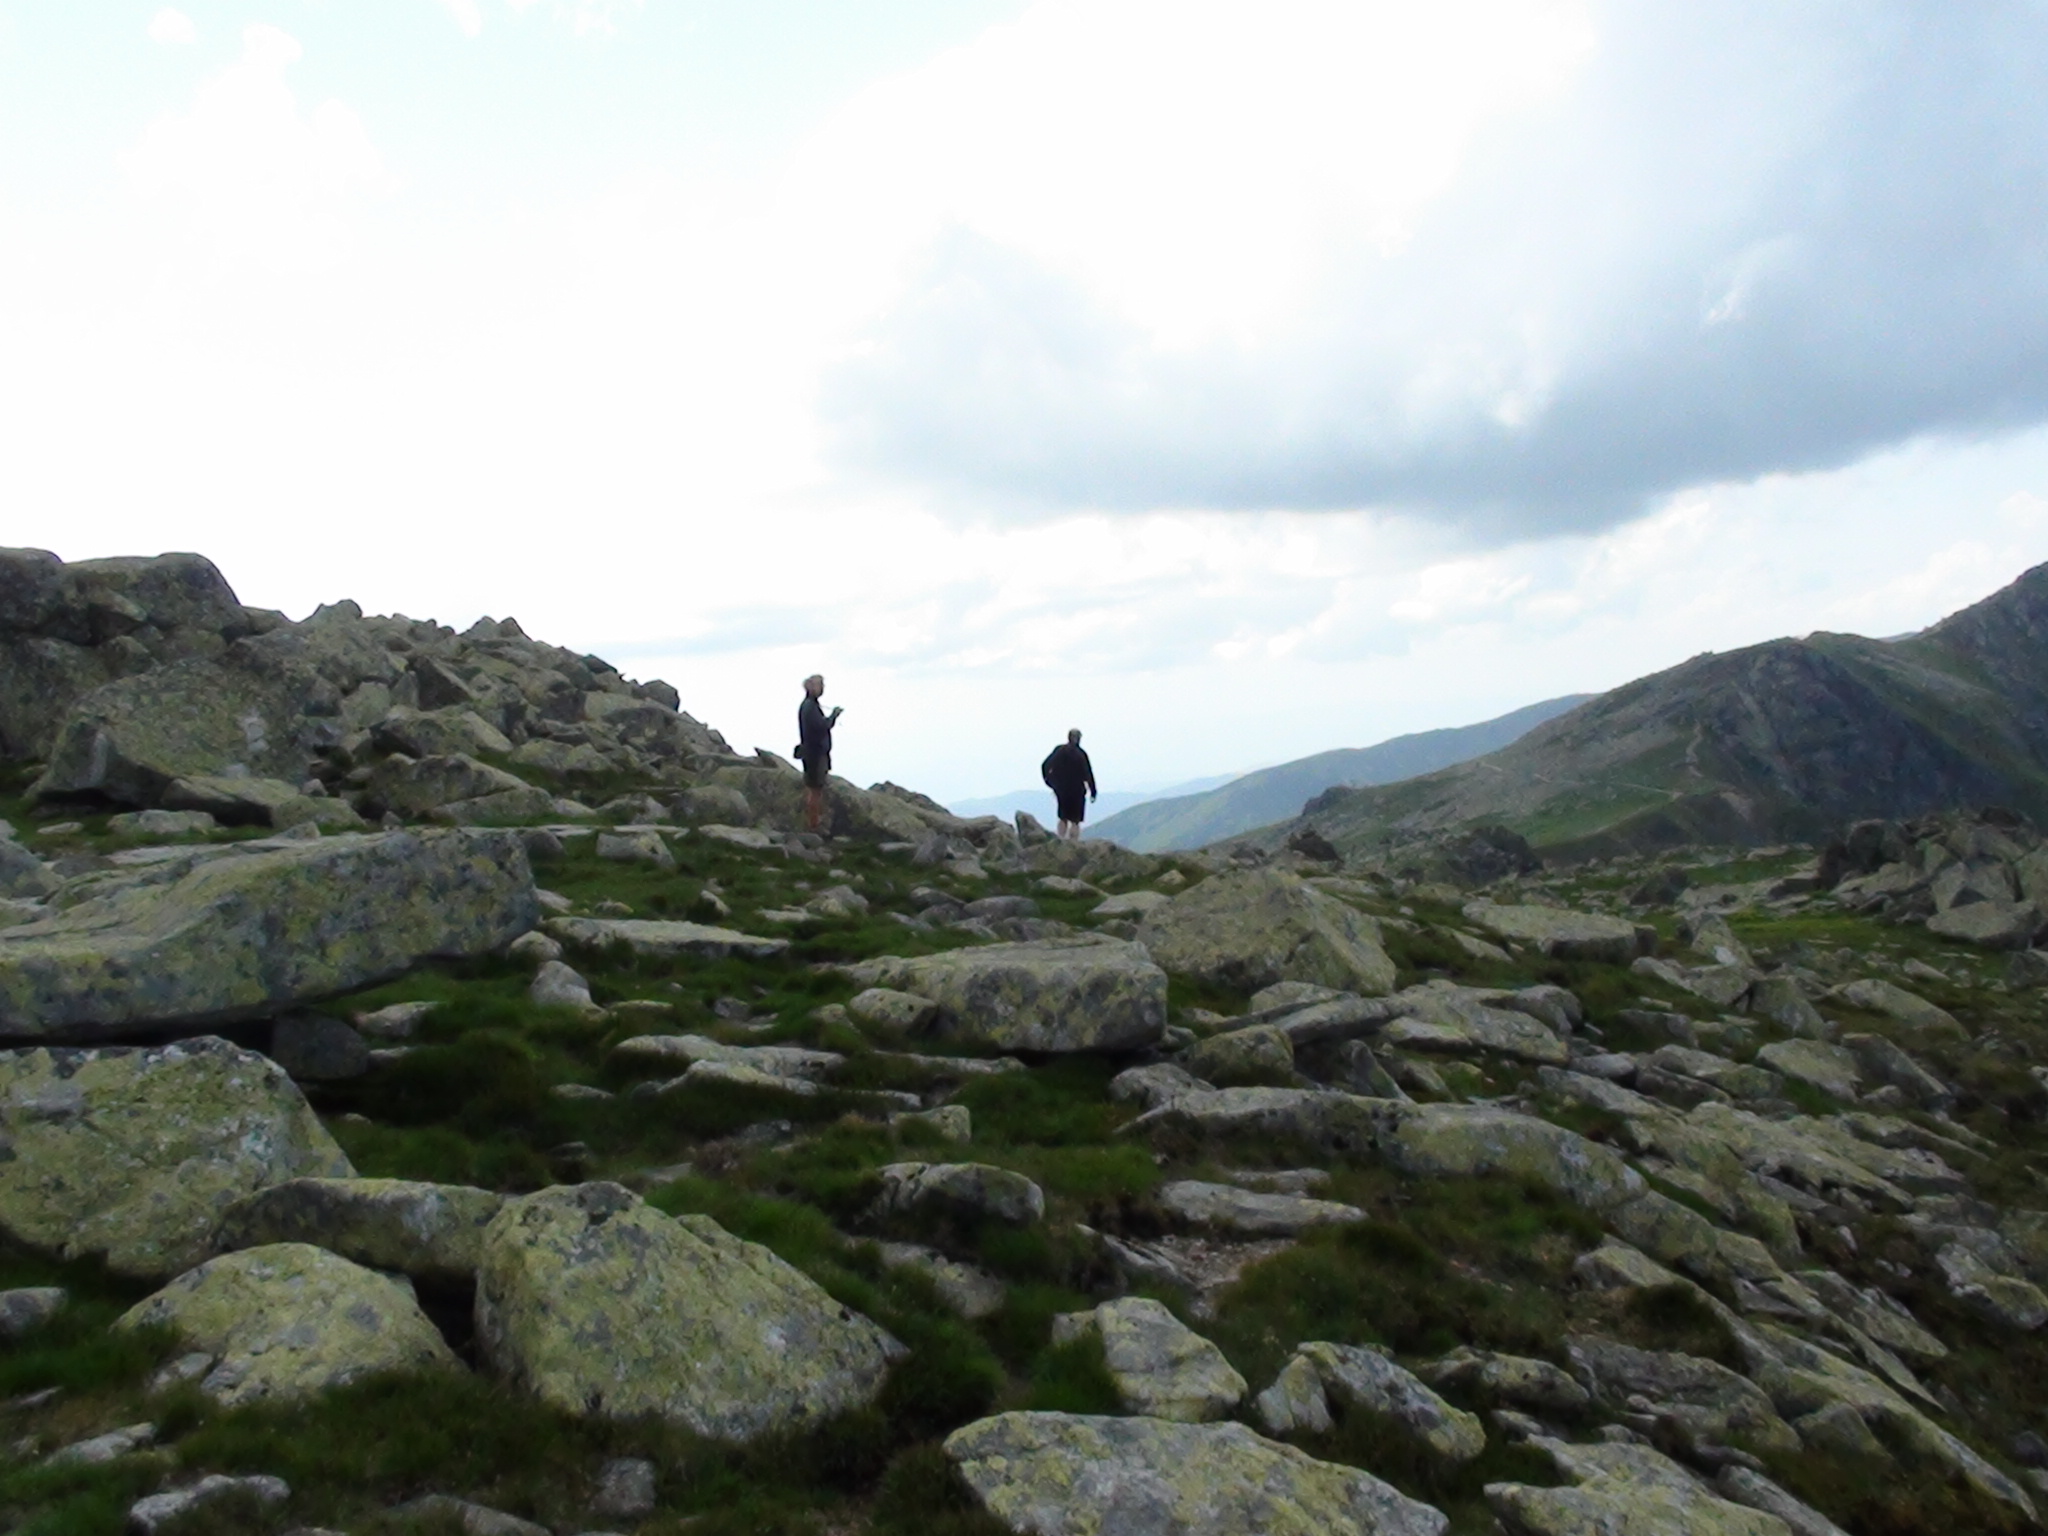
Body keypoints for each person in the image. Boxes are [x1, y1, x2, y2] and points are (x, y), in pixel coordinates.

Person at [794, 674, 842, 833]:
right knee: (815, 790)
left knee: (814, 789)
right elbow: (821, 727)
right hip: (815, 754)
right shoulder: (810, 707)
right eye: (820, 685)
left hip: (812, 752)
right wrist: (834, 716)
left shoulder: (809, 705)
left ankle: (813, 822)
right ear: (812, 687)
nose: (822, 688)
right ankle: (814, 824)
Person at [1040, 728, 1096, 842]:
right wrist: (1093, 791)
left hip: (1062, 790)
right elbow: (1088, 773)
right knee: (1076, 820)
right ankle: (1073, 842)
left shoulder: (1059, 750)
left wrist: (1050, 782)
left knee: (1063, 817)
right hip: (1077, 791)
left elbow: (1045, 765)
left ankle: (1060, 840)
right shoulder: (1081, 754)